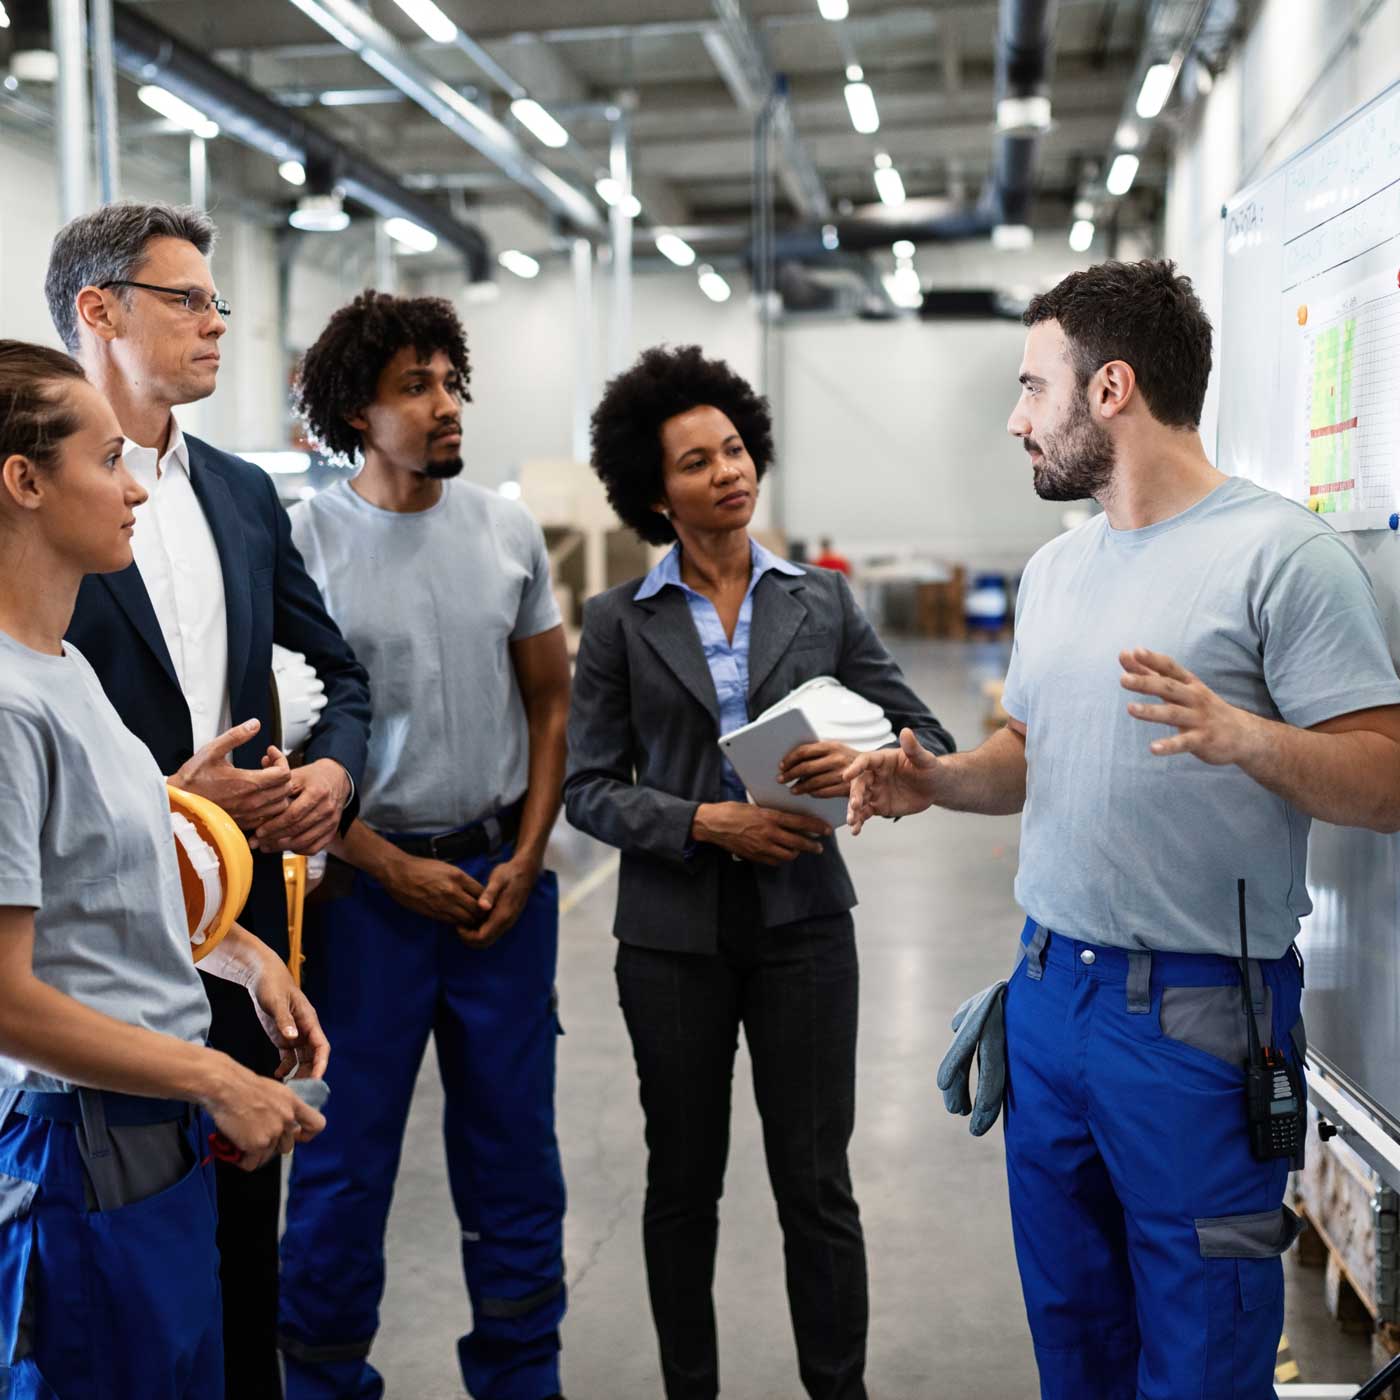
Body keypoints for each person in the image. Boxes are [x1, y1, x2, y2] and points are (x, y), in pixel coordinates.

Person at [845, 259, 1400, 1400]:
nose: (1013, 419)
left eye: (1029, 386)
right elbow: (1031, 754)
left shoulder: (1281, 559)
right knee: (1075, 1342)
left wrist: (1247, 739)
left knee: (1198, 1357)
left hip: (1198, 1022)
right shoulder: (1054, 572)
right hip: (1049, 998)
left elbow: (1385, 779)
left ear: (1108, 388)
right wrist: (939, 781)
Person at [565, 344, 954, 1400]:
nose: (727, 472)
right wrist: (704, 819)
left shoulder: (818, 603)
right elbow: (587, 786)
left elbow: (923, 731)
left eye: (734, 448)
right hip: (670, 938)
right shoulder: (616, 621)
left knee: (816, 1185)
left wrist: (870, 760)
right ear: (655, 492)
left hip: (804, 928)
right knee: (681, 1185)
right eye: (696, 461)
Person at [45, 201, 371, 1400]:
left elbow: (339, 670)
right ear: (100, 310)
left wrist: (329, 772)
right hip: (81, 958)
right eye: (187, 298)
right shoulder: (40, 518)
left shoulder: (238, 493)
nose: (216, 325)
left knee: (236, 1248)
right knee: (103, 1270)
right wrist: (176, 799)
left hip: (230, 932)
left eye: (216, 301)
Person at [0, 339, 329, 1399]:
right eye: (107, 460)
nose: (136, 485)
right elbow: (6, 998)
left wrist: (241, 957)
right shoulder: (7, 707)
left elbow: (99, 886)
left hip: (149, 1136)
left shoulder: (69, 670)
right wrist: (216, 1075)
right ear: (25, 480)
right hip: (79, 1145)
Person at [278, 291, 571, 1400]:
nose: (446, 405)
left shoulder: (506, 530)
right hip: (364, 899)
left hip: (499, 887)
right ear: (357, 408)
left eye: (451, 380)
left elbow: (549, 703)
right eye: (416, 385)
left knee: (514, 1159)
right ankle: (319, 1376)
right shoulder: (301, 543)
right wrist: (382, 861)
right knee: (343, 1160)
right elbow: (286, 741)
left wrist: (531, 850)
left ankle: (518, 1376)